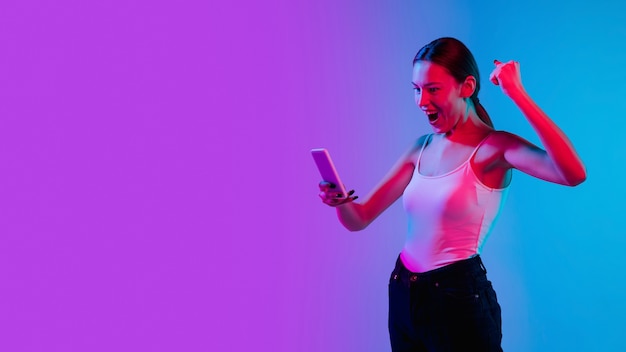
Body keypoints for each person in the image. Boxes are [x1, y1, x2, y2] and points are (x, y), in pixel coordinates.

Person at [317, 37, 586, 352]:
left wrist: (516, 93)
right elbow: (359, 219)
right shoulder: (421, 147)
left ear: (467, 87)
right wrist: (340, 201)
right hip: (403, 294)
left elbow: (573, 174)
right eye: (416, 89)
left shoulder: (494, 149)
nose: (421, 101)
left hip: (457, 300)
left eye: (433, 89)